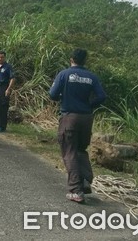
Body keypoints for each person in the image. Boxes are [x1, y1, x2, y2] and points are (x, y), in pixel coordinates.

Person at [49, 48, 106, 204]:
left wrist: (64, 97)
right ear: (84, 61)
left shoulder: (64, 74)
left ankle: (76, 190)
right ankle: (85, 180)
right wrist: (89, 104)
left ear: (71, 59)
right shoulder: (91, 77)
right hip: (86, 118)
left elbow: (52, 94)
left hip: (70, 117)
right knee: (80, 149)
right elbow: (102, 96)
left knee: (69, 152)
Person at [0, 51, 15, 133]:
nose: (0, 59)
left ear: (5, 58)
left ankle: (2, 126)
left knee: (2, 107)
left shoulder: (8, 67)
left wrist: (8, 89)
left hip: (4, 87)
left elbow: (12, 78)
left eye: (2, 57)